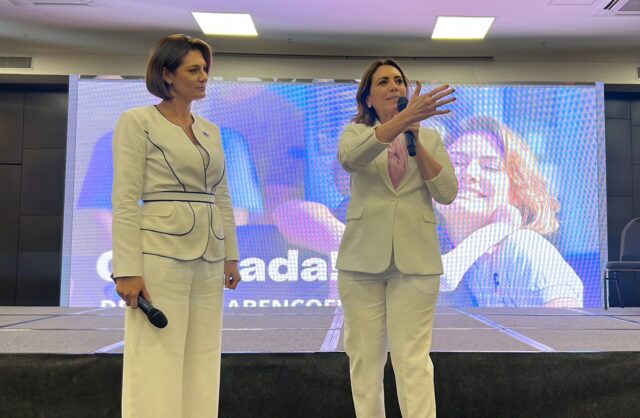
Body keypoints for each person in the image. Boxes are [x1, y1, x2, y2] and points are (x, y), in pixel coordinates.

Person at [111, 34, 241, 418]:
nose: (204, 77)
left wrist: (231, 256)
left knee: (204, 355)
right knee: (157, 356)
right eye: (194, 69)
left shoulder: (211, 130)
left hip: (210, 255)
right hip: (159, 254)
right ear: (167, 74)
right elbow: (124, 199)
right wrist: (127, 269)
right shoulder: (137, 122)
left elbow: (222, 196)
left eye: (205, 69)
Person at [336, 59, 457, 418]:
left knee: (412, 361)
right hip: (361, 261)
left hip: (416, 262)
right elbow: (351, 160)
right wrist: (400, 123)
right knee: (365, 360)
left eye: (399, 81)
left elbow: (447, 193)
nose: (394, 87)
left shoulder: (430, 138)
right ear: (368, 98)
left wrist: (415, 135)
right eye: (383, 82)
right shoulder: (355, 133)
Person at [435, 116, 584, 307]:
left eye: (490, 167)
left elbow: (569, 324)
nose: (469, 173)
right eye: (456, 162)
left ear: (516, 192)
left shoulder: (523, 247)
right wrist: (496, 230)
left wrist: (499, 230)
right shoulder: (423, 242)